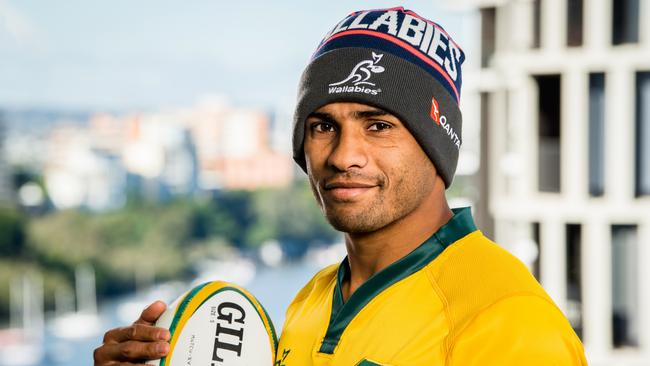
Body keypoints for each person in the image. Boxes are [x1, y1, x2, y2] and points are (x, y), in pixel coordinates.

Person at [94, 7, 588, 366]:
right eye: (323, 126)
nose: (343, 155)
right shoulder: (312, 300)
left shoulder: (506, 320)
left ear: (436, 143)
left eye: (378, 125)